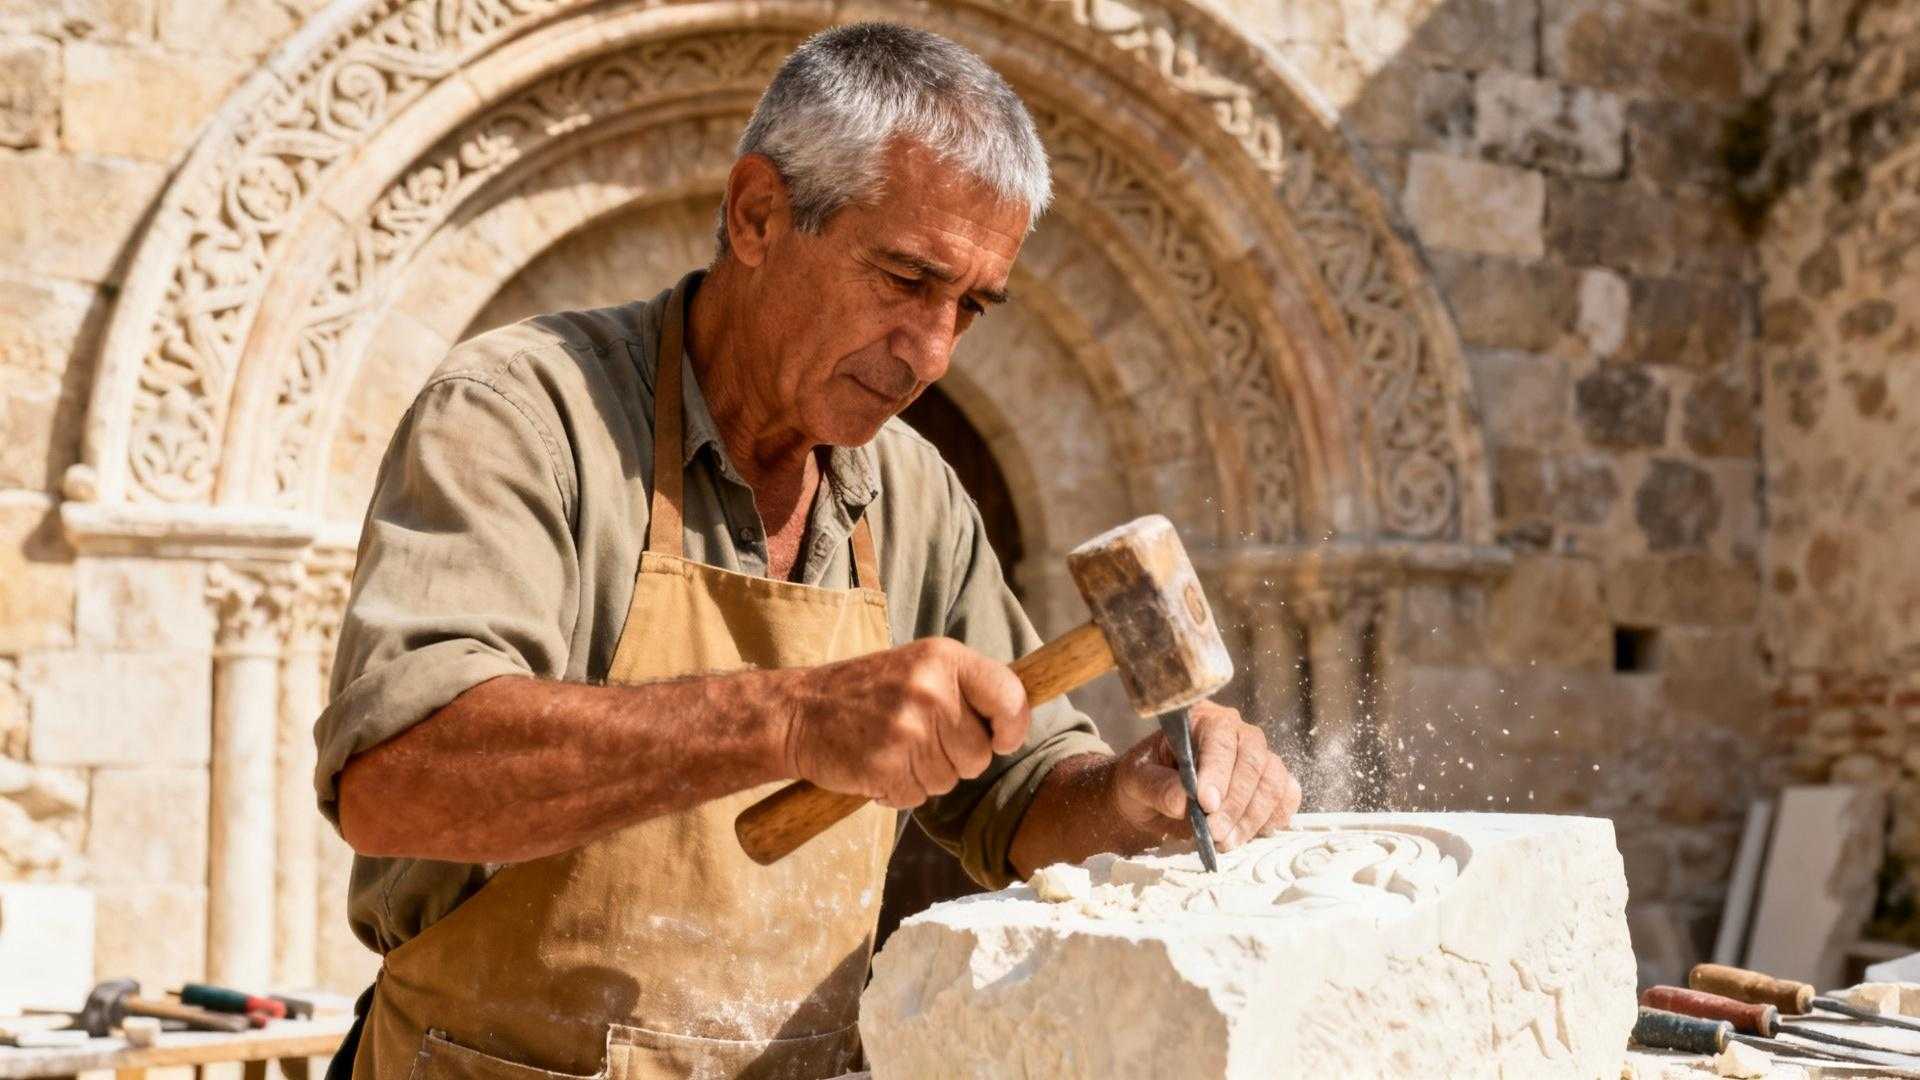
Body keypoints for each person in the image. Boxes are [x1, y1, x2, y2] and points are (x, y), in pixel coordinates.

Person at [317, 21, 1301, 1079]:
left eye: (971, 306)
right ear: (757, 214)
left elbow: (1021, 799)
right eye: (906, 279)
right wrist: (789, 719)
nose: (932, 352)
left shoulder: (916, 494)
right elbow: (395, 780)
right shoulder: (524, 413)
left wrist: (1131, 796)